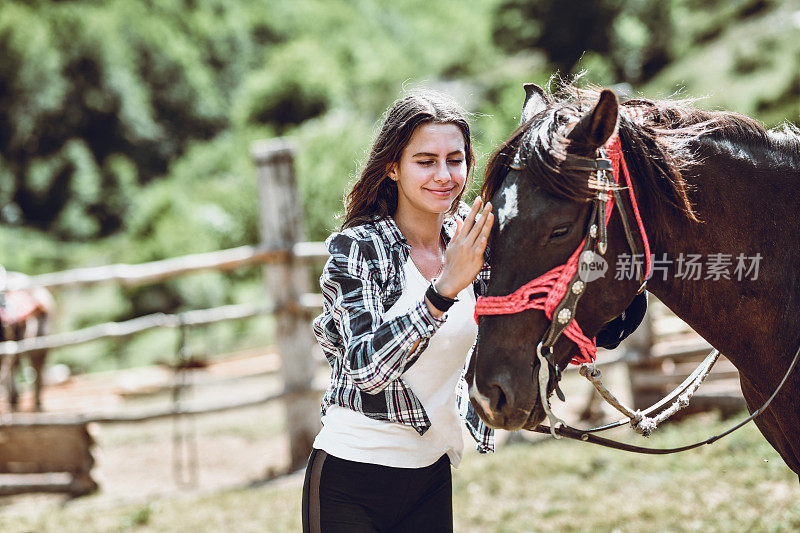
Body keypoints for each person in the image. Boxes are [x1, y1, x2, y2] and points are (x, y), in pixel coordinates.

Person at [302, 89, 494, 533]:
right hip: (350, 478)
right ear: (392, 167)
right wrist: (443, 290)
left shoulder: (469, 238)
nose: (444, 175)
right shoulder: (359, 249)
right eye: (425, 161)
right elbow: (365, 367)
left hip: (430, 475)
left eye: (455, 159)